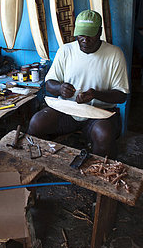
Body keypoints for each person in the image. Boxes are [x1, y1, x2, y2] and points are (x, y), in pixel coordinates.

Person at [27, 10, 129, 158]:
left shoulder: (114, 54)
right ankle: (38, 162)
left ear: (100, 32)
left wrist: (95, 94)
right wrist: (60, 88)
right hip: (68, 109)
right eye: (81, 35)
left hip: (99, 113)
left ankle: (99, 175)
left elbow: (121, 96)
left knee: (104, 135)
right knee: (37, 123)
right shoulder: (66, 50)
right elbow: (49, 84)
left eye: (90, 35)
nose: (85, 40)